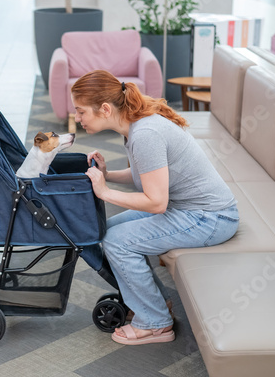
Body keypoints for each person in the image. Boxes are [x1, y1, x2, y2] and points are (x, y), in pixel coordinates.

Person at [71, 70, 239, 345]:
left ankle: (155, 323)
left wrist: (104, 191)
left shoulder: (145, 134)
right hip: (186, 209)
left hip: (211, 218)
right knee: (109, 228)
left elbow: (156, 202)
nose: (77, 119)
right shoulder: (136, 126)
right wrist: (108, 173)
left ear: (104, 109)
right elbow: (147, 176)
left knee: (118, 242)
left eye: (80, 112)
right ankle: (157, 304)